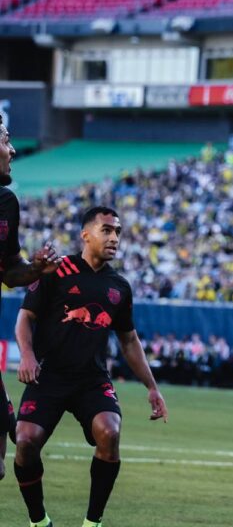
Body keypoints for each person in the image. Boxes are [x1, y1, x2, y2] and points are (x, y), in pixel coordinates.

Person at [14, 206, 168, 527]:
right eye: (107, 230)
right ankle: (39, 521)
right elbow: (25, 318)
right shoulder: (55, 270)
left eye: (118, 232)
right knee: (26, 442)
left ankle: (92, 523)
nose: (114, 238)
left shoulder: (119, 287)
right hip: (49, 376)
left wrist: (152, 387)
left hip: (91, 379)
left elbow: (129, 341)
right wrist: (27, 355)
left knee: (110, 433)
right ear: (86, 234)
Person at [0, 121, 64, 482]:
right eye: (6, 141)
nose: (12, 151)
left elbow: (9, 271)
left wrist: (36, 269)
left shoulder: (7, 202)